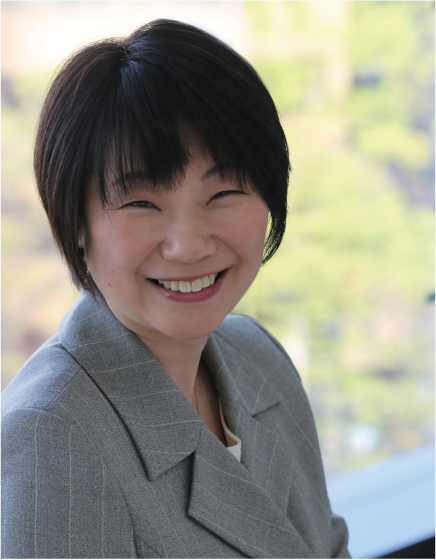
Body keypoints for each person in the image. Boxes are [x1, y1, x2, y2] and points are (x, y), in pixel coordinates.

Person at [1, 20, 350, 559]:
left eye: (225, 192)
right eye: (141, 203)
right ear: (75, 221)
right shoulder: (50, 436)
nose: (187, 245)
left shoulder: (261, 359)